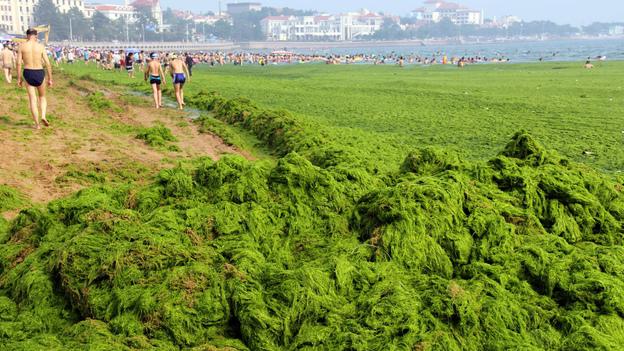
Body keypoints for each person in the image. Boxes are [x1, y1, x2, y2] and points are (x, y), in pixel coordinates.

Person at [17, 28, 53, 130]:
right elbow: (47, 63)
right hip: (39, 72)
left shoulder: (22, 46)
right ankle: (43, 116)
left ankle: (37, 125)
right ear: (36, 36)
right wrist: (50, 78)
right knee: (42, 97)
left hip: (28, 72)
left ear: (27, 36)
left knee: (32, 99)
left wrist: (19, 78)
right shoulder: (40, 47)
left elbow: (19, 63)